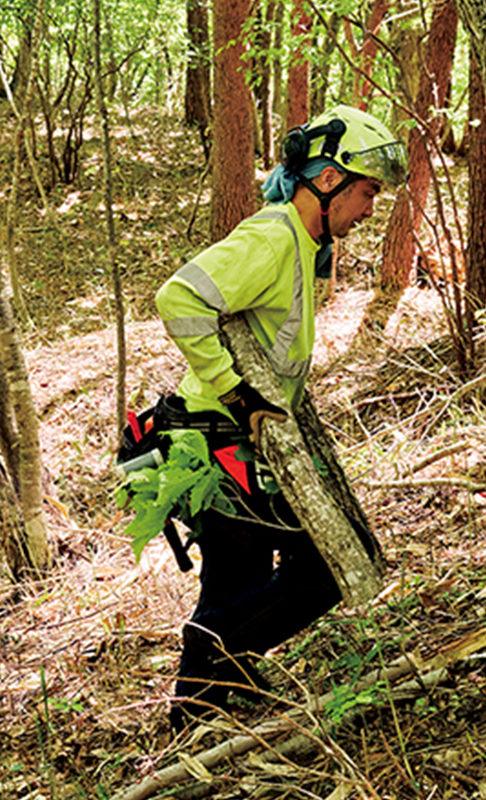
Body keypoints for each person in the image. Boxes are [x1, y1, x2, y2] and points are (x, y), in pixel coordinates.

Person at [154, 104, 407, 730]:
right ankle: (213, 657)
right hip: (211, 439)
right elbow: (178, 296)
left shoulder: (297, 242)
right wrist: (235, 392)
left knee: (235, 586)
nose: (371, 208)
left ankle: (198, 716)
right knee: (321, 569)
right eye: (367, 191)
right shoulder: (272, 238)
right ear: (327, 181)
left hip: (223, 440)